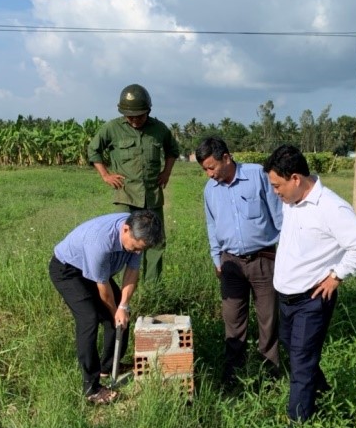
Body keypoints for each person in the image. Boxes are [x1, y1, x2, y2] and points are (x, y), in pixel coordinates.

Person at [263, 145, 356, 427]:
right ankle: (323, 395)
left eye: (278, 185)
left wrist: (336, 275)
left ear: (296, 179)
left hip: (310, 300)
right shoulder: (292, 202)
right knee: (294, 349)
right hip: (287, 297)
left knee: (301, 363)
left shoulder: (330, 207)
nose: (275, 192)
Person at [49, 210, 164, 404]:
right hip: (68, 270)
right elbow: (103, 288)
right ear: (125, 229)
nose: (137, 251)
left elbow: (132, 272)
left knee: (122, 314)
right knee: (89, 319)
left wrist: (124, 306)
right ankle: (91, 388)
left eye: (141, 249)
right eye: (135, 247)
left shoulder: (137, 235)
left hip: (96, 272)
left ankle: (108, 367)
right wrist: (114, 311)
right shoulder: (100, 242)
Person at [196, 137, 283, 388]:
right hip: (230, 263)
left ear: (227, 158)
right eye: (205, 170)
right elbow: (212, 226)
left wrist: (286, 253)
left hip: (263, 259)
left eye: (212, 167)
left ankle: (270, 373)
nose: (209, 174)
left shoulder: (258, 176)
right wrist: (217, 259)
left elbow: (279, 216)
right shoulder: (210, 191)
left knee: (268, 318)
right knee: (233, 320)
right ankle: (233, 374)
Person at [87, 84, 180, 283]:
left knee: (155, 241)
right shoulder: (112, 128)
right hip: (125, 195)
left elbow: (172, 150)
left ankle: (152, 287)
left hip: (152, 195)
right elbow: (93, 150)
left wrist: (166, 173)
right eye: (130, 116)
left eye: (139, 115)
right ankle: (118, 286)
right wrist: (105, 175)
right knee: (121, 241)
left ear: (148, 111)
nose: (135, 120)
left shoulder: (159, 129)